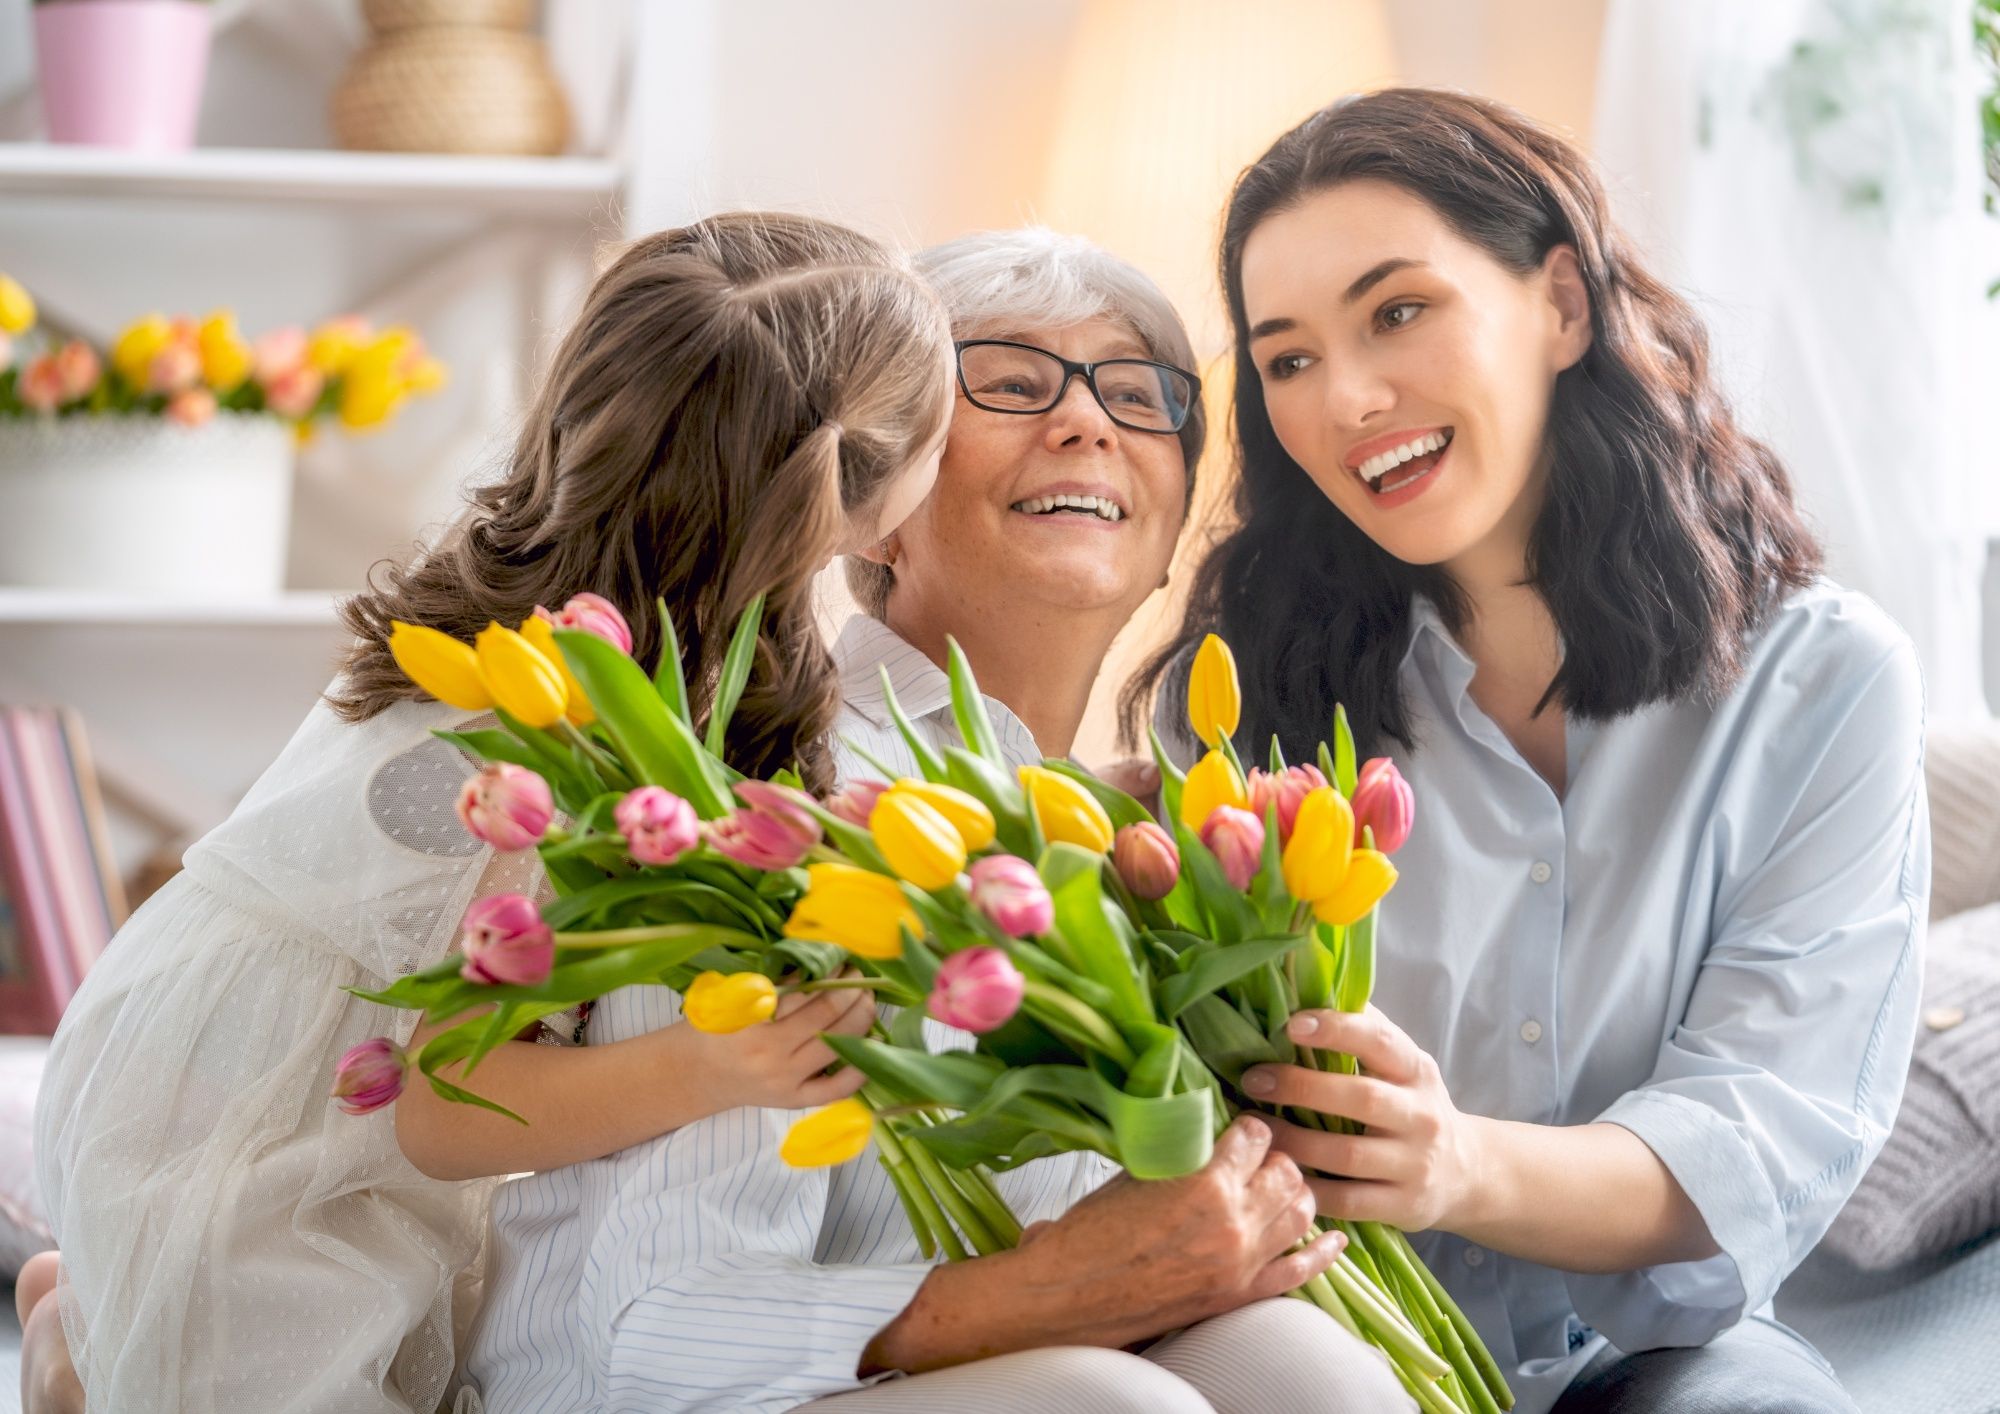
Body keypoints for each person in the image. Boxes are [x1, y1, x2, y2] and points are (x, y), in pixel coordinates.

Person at [459, 228, 1412, 1414]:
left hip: (1004, 1373)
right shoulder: (765, 790)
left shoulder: (1184, 839)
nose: (1086, 424)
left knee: (1323, 1381)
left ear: (1173, 525)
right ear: (877, 488)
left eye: (1135, 392)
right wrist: (1039, 1294)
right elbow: (646, 1337)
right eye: (1009, 383)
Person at [26, 210, 958, 1414]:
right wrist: (706, 1063)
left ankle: (82, 1320)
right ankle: (87, 1352)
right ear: (863, 494)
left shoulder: (523, 609)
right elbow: (442, 1106)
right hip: (248, 1146)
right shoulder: (541, 739)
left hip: (174, 1046)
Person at [1134, 87, 1928, 1414]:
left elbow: (1763, 1132)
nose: (1350, 397)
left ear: (1561, 304)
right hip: (1327, 1338)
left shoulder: (1825, 683)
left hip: (1664, 1356)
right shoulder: (1240, 698)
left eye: (1397, 311)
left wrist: (1458, 1166)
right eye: (1287, 360)